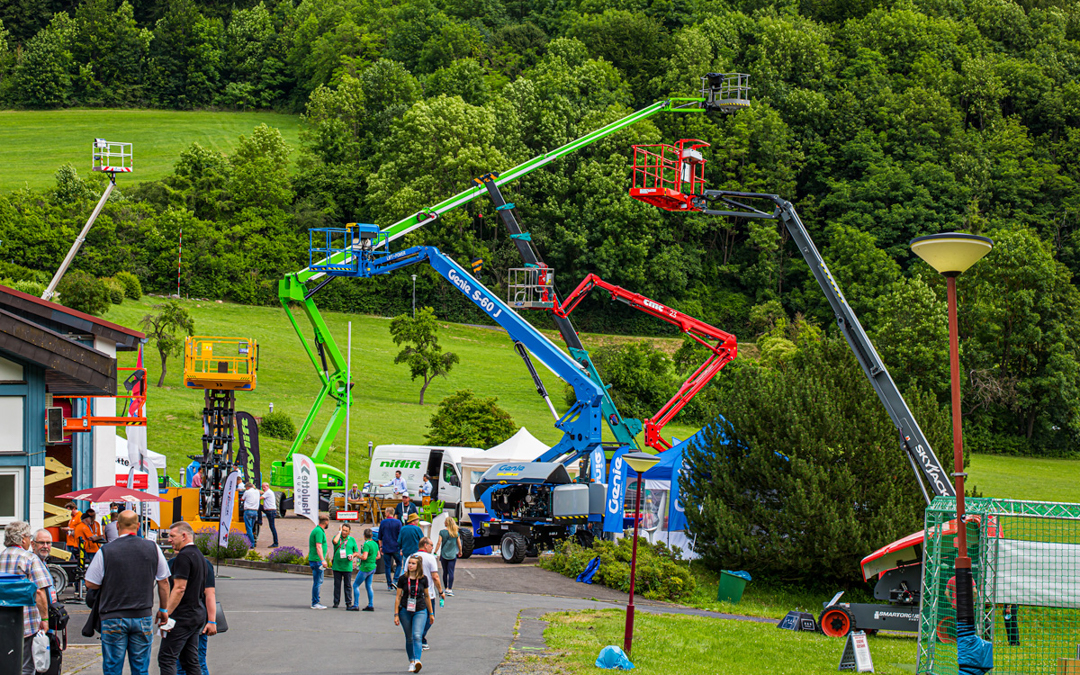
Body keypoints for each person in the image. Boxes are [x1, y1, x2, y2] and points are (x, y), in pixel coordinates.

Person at [85, 510, 170, 675]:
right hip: (142, 615)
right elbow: (164, 581)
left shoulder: (106, 551)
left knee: (112, 669)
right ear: (138, 526)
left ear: (117, 526)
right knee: (140, 669)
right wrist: (164, 609)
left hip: (113, 616)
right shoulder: (153, 548)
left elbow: (91, 583)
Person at [157, 521, 213, 675]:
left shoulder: (184, 557)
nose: (169, 540)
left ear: (184, 536)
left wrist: (166, 612)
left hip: (183, 616)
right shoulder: (200, 557)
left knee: (167, 658)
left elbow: (180, 588)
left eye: (172, 536)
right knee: (190, 660)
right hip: (196, 614)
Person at [0, 521, 50, 675]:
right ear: (23, 539)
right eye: (29, 537)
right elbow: (40, 592)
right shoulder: (29, 559)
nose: (30, 540)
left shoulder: (1, 557)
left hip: (4, 621)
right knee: (26, 666)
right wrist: (45, 618)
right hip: (26, 621)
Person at [393, 555, 433, 673]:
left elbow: (427, 596)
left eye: (413, 563)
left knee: (417, 635)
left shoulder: (423, 579)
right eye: (409, 563)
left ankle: (417, 660)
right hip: (405, 610)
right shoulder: (402, 579)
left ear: (418, 566)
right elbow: (398, 597)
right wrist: (396, 614)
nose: (410, 565)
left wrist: (431, 613)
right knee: (409, 637)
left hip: (420, 609)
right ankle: (411, 661)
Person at [415, 537, 445, 652]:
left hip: (413, 592)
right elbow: (435, 576)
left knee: (416, 615)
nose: (432, 548)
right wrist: (441, 591)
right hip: (428, 593)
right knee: (430, 617)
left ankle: (418, 636)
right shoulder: (430, 558)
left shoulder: (411, 557)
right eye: (431, 545)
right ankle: (420, 637)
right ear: (425, 545)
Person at [349, 528, 379, 611]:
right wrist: (372, 559)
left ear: (364, 536)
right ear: (372, 535)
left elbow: (364, 557)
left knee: (355, 585)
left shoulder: (367, 544)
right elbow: (378, 556)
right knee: (369, 586)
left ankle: (356, 604)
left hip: (365, 567)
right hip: (373, 566)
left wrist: (358, 556)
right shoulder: (375, 544)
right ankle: (370, 604)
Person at [330, 523, 358, 609]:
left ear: (349, 532)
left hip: (347, 566)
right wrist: (339, 532)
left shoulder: (352, 540)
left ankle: (348, 602)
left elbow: (356, 552)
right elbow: (334, 542)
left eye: (346, 531)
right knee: (337, 585)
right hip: (337, 566)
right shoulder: (338, 537)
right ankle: (336, 602)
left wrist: (352, 556)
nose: (344, 532)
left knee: (348, 585)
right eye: (343, 530)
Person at [432, 516, 461, 597]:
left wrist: (435, 551)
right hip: (452, 555)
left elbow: (439, 542)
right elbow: (459, 544)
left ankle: (445, 588)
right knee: (451, 572)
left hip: (444, 554)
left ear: (447, 523)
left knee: (445, 572)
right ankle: (450, 588)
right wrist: (460, 552)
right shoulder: (456, 533)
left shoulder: (442, 532)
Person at [377, 508, 402, 592]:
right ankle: (395, 579)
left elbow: (380, 536)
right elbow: (400, 535)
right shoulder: (398, 522)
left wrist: (380, 547)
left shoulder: (383, 522)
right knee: (399, 563)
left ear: (388, 513)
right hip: (396, 547)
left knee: (387, 566)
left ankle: (389, 584)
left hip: (386, 546)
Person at [308, 515, 330, 609]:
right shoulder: (319, 532)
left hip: (315, 559)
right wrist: (322, 560)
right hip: (317, 560)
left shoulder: (318, 530)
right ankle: (315, 602)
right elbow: (318, 546)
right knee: (318, 581)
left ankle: (316, 600)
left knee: (318, 581)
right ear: (326, 522)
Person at [241, 481, 261, 546]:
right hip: (255, 511)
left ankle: (252, 543)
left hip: (248, 511)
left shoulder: (247, 492)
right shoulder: (257, 492)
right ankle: (247, 541)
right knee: (251, 527)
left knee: (249, 528)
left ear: (248, 487)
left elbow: (242, 499)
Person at [260, 482, 279, 548]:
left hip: (270, 511)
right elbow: (262, 493)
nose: (263, 488)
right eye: (262, 487)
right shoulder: (268, 492)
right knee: (259, 507)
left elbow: (260, 498)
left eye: (264, 487)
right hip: (269, 510)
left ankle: (276, 542)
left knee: (272, 526)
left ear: (267, 486)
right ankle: (259, 519)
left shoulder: (268, 492)